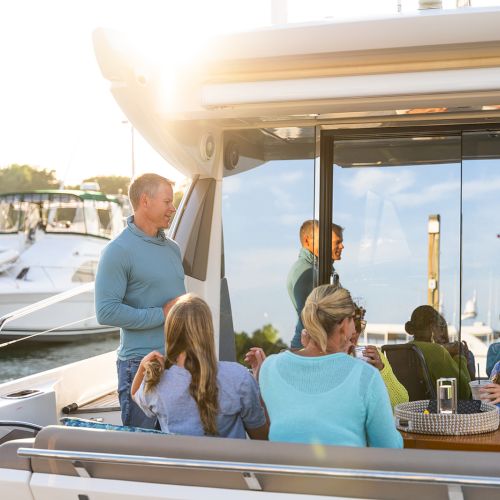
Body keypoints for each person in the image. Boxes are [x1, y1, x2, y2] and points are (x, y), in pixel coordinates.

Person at [250, 284, 403, 448]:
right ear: (344, 324)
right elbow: (390, 448)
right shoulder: (365, 376)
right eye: (354, 319)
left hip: (285, 473)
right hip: (343, 473)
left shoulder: (269, 368)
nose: (355, 328)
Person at [95, 173, 186, 428]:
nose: (173, 208)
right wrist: (162, 313)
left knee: (178, 449)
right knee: (143, 448)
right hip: (140, 366)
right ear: (145, 201)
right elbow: (106, 312)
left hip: (178, 363)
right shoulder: (117, 251)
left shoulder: (173, 249)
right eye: (167, 201)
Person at [132, 294, 268, 439]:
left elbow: (134, 395)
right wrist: (261, 382)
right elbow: (262, 438)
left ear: (170, 333)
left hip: (181, 461)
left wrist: (142, 367)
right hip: (227, 462)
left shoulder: (156, 382)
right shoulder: (239, 378)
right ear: (208, 332)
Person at [287, 220, 344, 349]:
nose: (342, 246)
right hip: (309, 348)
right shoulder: (307, 271)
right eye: (337, 242)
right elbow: (318, 317)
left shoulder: (320, 270)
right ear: (307, 241)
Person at [349, 305, 409, 409]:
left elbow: (401, 402)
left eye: (358, 325)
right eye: (349, 326)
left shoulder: (373, 356)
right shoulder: (327, 360)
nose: (355, 332)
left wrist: (381, 370)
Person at [405, 305, 471, 399]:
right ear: (432, 327)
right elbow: (463, 393)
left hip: (409, 409)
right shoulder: (436, 351)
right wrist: (460, 357)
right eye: (440, 327)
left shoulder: (406, 348)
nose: (442, 333)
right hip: (435, 411)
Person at [431, 312, 476, 379]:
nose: (443, 332)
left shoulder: (460, 351)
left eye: (444, 327)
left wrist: (466, 360)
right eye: (438, 327)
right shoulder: (426, 354)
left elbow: (472, 382)